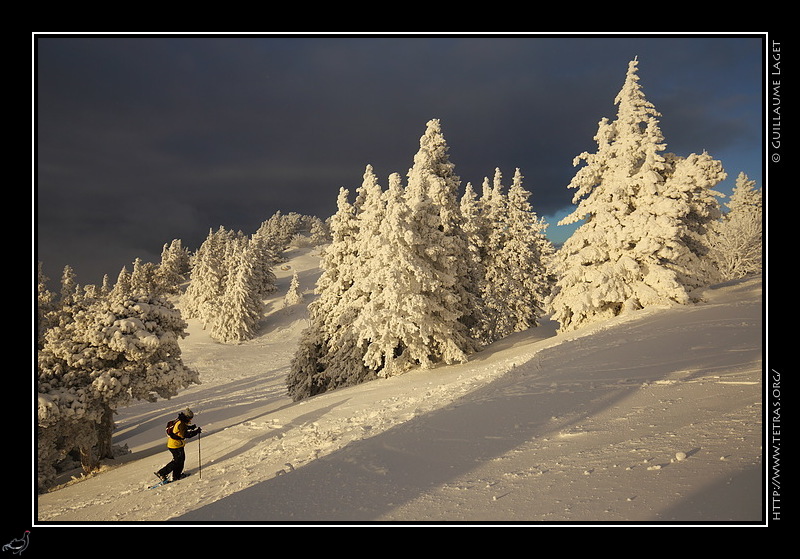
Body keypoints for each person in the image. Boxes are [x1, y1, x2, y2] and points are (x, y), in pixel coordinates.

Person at [155, 408, 201, 482]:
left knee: (180, 460)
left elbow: (180, 429)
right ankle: (162, 473)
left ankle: (176, 475)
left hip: (175, 444)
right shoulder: (181, 423)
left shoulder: (180, 420)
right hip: (175, 445)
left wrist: (191, 427)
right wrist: (196, 432)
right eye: (190, 418)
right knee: (177, 461)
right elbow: (185, 435)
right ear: (187, 417)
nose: (191, 420)